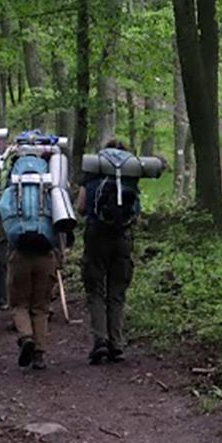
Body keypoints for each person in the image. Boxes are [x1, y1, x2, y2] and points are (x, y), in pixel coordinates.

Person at [0, 138, 63, 370]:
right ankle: (39, 354)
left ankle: (25, 337)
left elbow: (1, 209)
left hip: (20, 251)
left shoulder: (13, 186)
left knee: (19, 303)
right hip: (45, 252)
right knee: (41, 306)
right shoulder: (51, 185)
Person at [77, 139, 143, 364]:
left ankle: (100, 341)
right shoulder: (130, 174)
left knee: (95, 290)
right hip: (123, 238)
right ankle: (117, 344)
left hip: (96, 236)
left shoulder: (93, 171)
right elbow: (136, 211)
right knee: (117, 292)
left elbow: (82, 207)